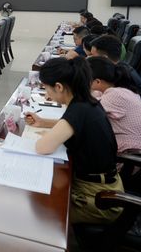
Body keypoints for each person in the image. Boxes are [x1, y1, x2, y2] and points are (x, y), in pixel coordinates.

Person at [25, 57, 123, 224]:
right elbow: (74, 125)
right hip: (104, 185)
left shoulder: (78, 110)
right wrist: (43, 123)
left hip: (99, 199)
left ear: (59, 87)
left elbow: (42, 147)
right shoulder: (86, 102)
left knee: (40, 212)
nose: (47, 94)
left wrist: (47, 135)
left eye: (46, 88)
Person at [87, 56, 141, 153]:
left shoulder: (116, 95)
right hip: (127, 148)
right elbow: (94, 97)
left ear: (98, 82)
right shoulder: (120, 89)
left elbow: (86, 110)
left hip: (128, 153)